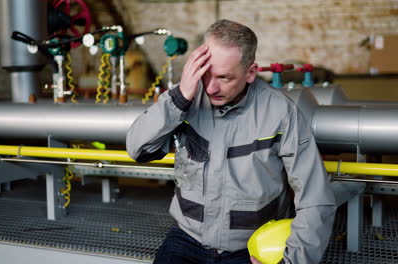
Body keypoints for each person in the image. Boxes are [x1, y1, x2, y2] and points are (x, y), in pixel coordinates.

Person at [127, 19, 337, 264]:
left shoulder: (281, 113)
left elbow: (316, 198)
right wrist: (179, 98)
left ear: (250, 73)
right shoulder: (185, 98)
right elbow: (138, 149)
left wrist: (291, 261)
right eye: (206, 74)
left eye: (225, 78)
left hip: (250, 247)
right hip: (187, 240)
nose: (212, 87)